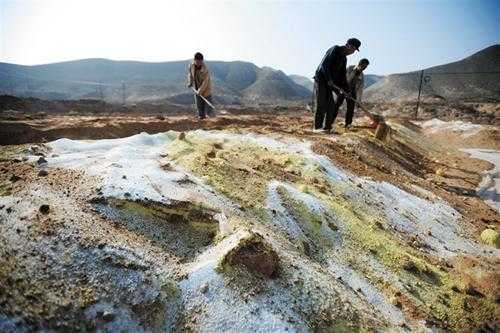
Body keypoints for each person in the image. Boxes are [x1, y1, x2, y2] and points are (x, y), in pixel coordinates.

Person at [312, 38, 361, 133]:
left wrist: (347, 91)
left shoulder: (344, 58)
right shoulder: (335, 49)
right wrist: (329, 79)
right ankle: (317, 128)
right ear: (348, 45)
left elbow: (342, 76)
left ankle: (327, 128)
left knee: (331, 106)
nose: (353, 52)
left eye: (354, 51)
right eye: (353, 49)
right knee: (321, 103)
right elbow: (324, 66)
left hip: (329, 83)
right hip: (322, 79)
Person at [336, 58, 370, 130]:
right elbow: (343, 77)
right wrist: (341, 88)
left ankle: (348, 124)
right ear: (359, 64)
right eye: (363, 66)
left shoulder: (361, 76)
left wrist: (359, 100)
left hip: (352, 91)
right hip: (343, 88)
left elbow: (360, 89)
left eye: (365, 67)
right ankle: (329, 121)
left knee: (351, 109)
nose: (364, 68)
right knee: (336, 105)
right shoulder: (350, 68)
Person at [187, 52, 214, 119]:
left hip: (206, 88)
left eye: (200, 62)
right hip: (196, 87)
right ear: (194, 60)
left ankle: (212, 119)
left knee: (208, 105)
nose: (199, 64)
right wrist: (190, 82)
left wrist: (200, 91)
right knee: (199, 104)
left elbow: (205, 82)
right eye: (197, 62)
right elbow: (190, 74)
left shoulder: (205, 69)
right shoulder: (191, 66)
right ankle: (201, 117)